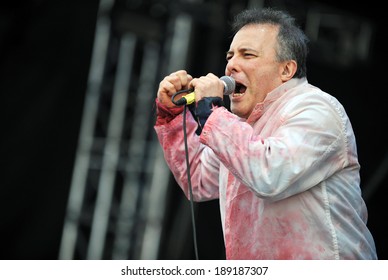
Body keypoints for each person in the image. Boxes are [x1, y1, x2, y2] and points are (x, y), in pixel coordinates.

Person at [153, 7, 377, 259]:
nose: (231, 66)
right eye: (229, 56)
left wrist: (211, 112)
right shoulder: (240, 126)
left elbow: (270, 174)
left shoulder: (316, 109)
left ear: (286, 70)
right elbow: (199, 180)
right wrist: (172, 116)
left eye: (247, 55)